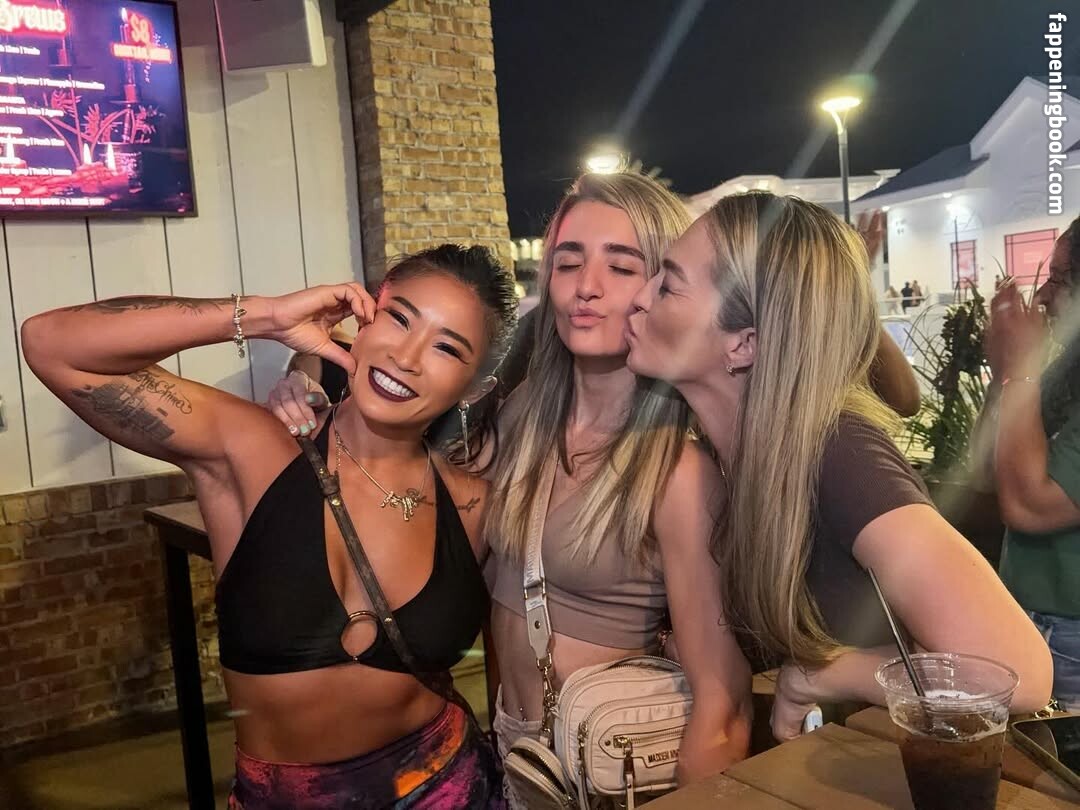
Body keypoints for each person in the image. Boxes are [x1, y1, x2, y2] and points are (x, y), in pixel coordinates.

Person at [273, 173, 757, 807]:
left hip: (606, 773)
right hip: (507, 755)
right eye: (568, 262)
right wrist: (304, 375)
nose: (587, 287)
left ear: (662, 287)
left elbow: (723, 711)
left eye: (621, 266)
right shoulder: (522, 412)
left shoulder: (678, 471)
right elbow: (394, 413)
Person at [20, 245, 518, 808]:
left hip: (451, 786)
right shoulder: (254, 449)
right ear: (362, 320)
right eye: (399, 319)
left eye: (447, 348)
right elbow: (49, 343)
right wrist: (266, 316)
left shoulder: (474, 504)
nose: (406, 356)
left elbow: (507, 666)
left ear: (474, 387)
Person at [623, 191, 1053, 741]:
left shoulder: (838, 453)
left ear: (744, 344)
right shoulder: (726, 456)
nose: (640, 297)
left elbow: (1019, 671)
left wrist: (828, 673)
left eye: (668, 285)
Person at [988, 215, 1080, 710]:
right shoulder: (1067, 366)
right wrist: (1006, 372)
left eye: (1060, 280)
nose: (1043, 296)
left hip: (1070, 637)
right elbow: (992, 466)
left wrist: (1021, 368)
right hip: (1033, 619)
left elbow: (1029, 505)